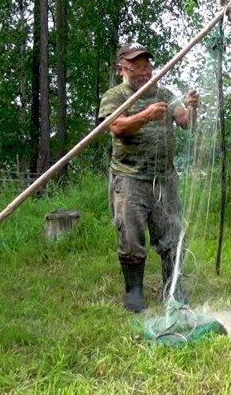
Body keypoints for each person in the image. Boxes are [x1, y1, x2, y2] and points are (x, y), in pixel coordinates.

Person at [98, 42, 199, 312]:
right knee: (131, 237)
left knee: (172, 235)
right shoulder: (115, 96)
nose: (144, 71)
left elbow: (186, 123)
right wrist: (145, 115)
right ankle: (134, 294)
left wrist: (192, 107)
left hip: (164, 179)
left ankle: (173, 291)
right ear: (122, 69)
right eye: (137, 67)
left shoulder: (164, 93)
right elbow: (117, 127)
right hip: (130, 179)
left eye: (147, 66)